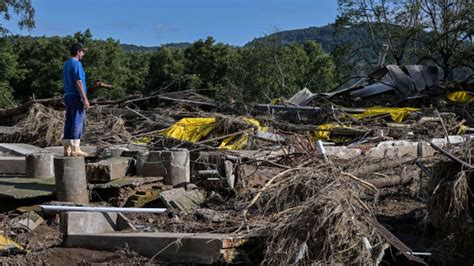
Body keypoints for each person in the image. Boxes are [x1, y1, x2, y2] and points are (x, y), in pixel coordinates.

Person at [62, 42, 89, 157]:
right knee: (78, 120)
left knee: (69, 120)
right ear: (78, 52)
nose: (83, 54)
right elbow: (78, 81)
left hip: (67, 95)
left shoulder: (66, 64)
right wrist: (84, 98)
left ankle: (67, 148)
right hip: (76, 95)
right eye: (82, 52)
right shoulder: (76, 64)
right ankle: (75, 147)